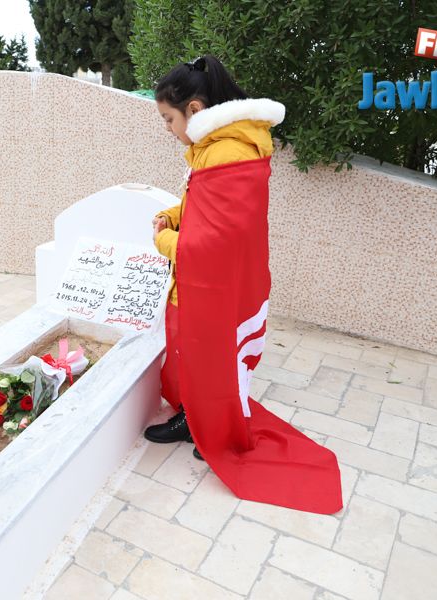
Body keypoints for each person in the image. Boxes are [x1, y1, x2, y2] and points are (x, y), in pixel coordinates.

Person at [144, 55, 343, 515]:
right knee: (200, 357)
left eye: (169, 119)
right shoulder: (218, 145)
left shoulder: (226, 151)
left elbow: (211, 243)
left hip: (215, 283)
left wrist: (164, 241)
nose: (168, 129)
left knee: (211, 358)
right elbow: (204, 209)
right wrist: (174, 215)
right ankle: (197, 422)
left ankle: (209, 431)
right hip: (219, 282)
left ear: (194, 110)